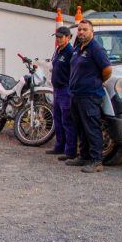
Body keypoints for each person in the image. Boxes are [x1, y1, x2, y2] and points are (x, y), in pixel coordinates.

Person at [66, 19, 113, 173]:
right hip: (76, 94)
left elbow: (107, 70)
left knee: (92, 128)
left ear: (91, 31)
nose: (81, 32)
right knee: (80, 128)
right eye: (79, 29)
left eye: (85, 29)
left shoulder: (96, 49)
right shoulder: (78, 47)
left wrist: (97, 82)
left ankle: (96, 160)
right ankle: (84, 156)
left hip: (90, 95)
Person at [46, 26, 77, 161]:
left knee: (67, 121)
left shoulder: (70, 52)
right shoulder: (58, 51)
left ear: (68, 37)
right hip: (57, 89)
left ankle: (70, 150)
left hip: (66, 89)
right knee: (57, 119)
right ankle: (59, 146)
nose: (58, 39)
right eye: (57, 37)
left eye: (61, 37)